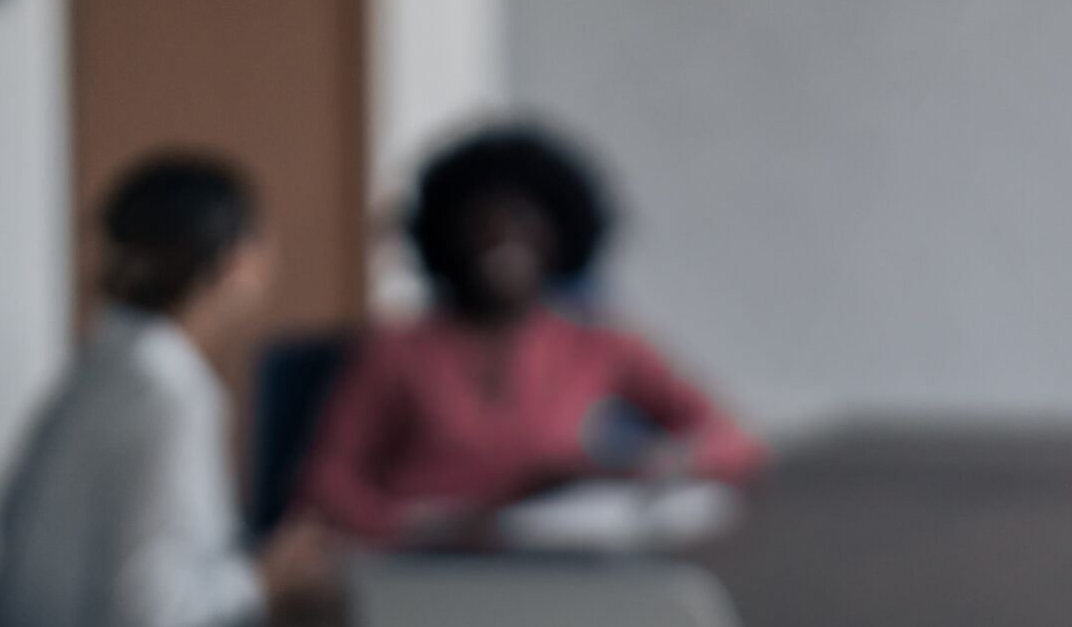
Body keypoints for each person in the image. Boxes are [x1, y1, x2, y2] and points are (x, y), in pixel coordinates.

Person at [298, 125, 767, 543]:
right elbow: (327, 482)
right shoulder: (396, 350)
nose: (504, 242)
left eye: (523, 224)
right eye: (483, 226)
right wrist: (414, 530)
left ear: (559, 235)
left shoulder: (601, 345)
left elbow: (734, 440)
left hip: (553, 566)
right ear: (445, 237)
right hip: (426, 570)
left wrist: (663, 463)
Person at [0, 155, 336, 627]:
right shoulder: (169, 395)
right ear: (238, 264)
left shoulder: (97, 370)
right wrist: (263, 579)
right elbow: (150, 612)